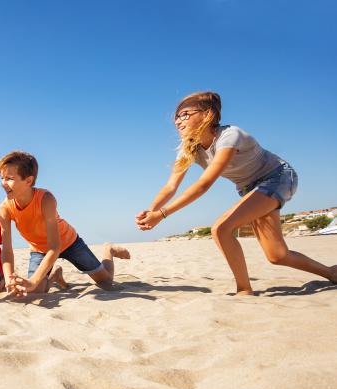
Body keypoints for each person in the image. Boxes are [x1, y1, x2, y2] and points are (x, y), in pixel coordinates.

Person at [135, 91, 337, 295]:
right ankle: (331, 273)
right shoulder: (189, 149)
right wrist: (150, 212)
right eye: (177, 117)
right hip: (251, 189)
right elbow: (171, 186)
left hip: (277, 177)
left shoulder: (230, 136)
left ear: (207, 115)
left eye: (185, 114)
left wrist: (162, 215)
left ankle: (244, 290)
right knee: (277, 255)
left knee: (221, 228)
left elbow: (204, 184)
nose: (179, 121)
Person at [0, 151, 130, 296]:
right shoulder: (5, 208)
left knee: (106, 282)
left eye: (9, 178)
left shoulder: (46, 199)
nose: (3, 183)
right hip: (39, 249)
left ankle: (108, 249)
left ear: (28, 181)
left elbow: (55, 247)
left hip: (68, 242)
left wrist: (33, 281)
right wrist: (9, 279)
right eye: (2, 178)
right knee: (35, 291)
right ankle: (55, 276)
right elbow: (7, 250)